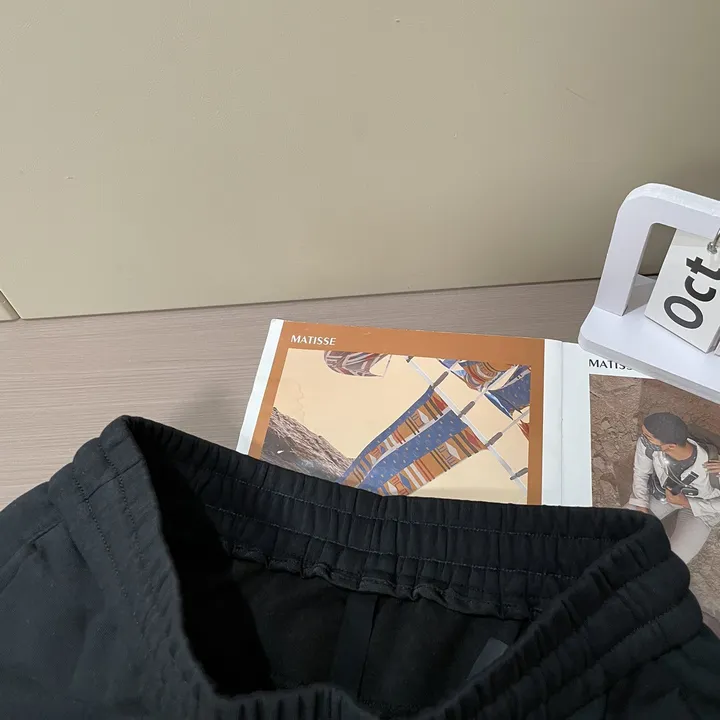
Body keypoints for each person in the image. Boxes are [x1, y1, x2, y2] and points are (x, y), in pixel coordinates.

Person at [627, 412, 720, 564]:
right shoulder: (649, 446)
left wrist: (687, 503)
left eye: (648, 437)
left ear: (670, 446)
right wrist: (641, 506)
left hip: (703, 509)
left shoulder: (713, 469)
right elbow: (641, 473)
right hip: (665, 495)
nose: (643, 439)